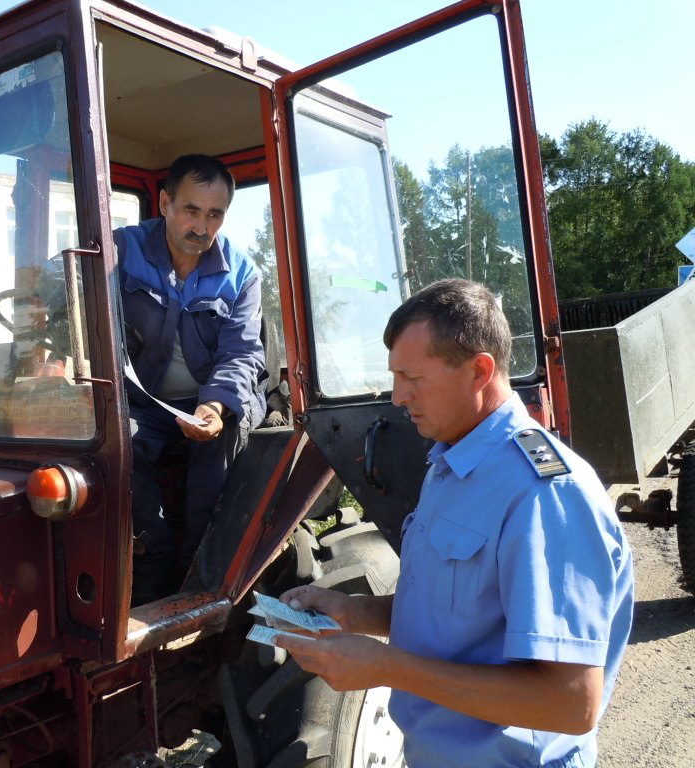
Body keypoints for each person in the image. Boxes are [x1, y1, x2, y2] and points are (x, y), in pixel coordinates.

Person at [276, 279, 634, 768]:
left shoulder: (546, 494)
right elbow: (464, 613)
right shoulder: (451, 462)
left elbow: (571, 703)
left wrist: (387, 669)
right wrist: (356, 612)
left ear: (478, 371)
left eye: (412, 378)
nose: (398, 396)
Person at [113, 154, 267, 605]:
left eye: (214, 214)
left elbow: (242, 352)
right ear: (164, 203)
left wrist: (214, 407)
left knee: (214, 451)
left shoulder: (241, 273)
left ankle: (203, 579)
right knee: (113, 444)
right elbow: (57, 289)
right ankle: (150, 562)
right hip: (144, 403)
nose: (202, 226)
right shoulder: (120, 251)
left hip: (213, 400)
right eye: (191, 210)